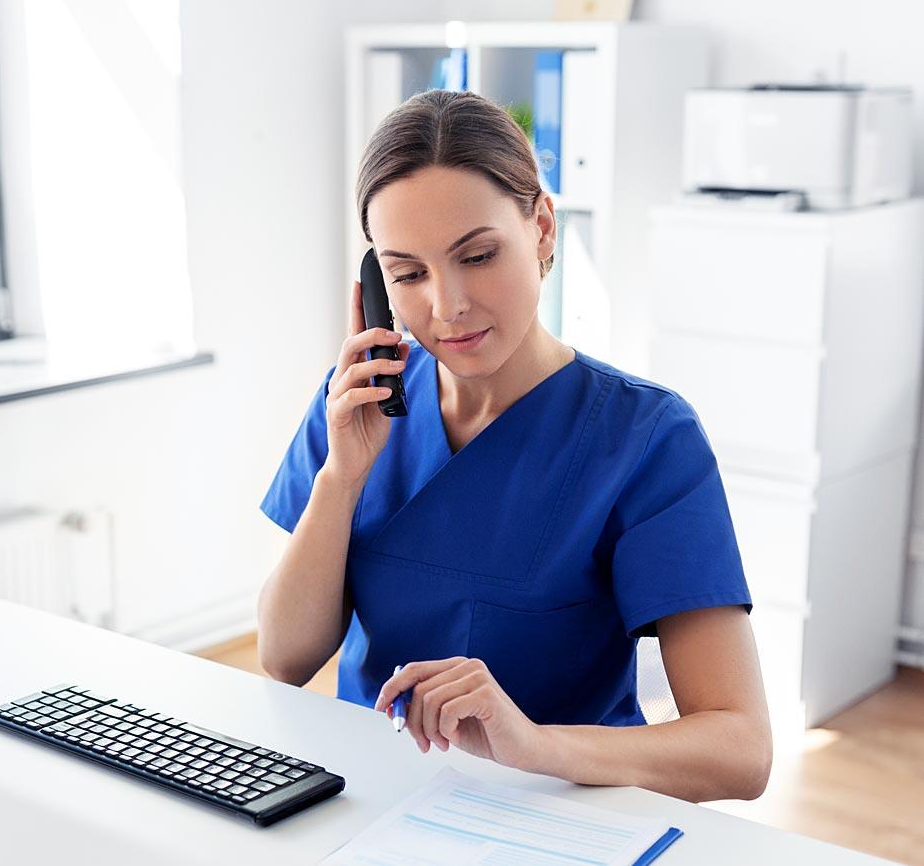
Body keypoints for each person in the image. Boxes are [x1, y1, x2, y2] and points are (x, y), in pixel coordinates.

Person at [255, 90, 771, 802]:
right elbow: (285, 656)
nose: (448, 304)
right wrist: (342, 478)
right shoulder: (360, 407)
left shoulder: (647, 440)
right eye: (408, 273)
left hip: (561, 811)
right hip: (373, 800)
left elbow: (740, 748)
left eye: (477, 254)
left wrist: (533, 744)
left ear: (542, 229)